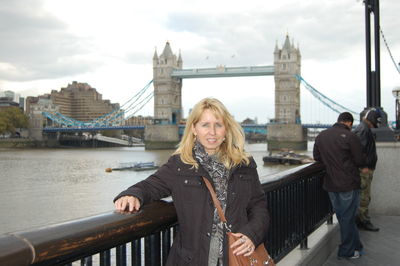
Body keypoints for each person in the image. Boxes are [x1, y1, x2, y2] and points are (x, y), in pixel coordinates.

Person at [114, 97, 269, 266]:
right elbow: (150, 185)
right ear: (194, 129)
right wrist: (132, 194)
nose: (212, 132)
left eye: (218, 124)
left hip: (235, 258)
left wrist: (252, 234)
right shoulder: (180, 165)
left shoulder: (244, 164)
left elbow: (258, 206)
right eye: (205, 125)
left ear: (226, 129)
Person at [313, 112, 364, 260]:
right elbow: (360, 160)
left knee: (343, 217)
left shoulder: (321, 135)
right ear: (349, 123)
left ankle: (357, 247)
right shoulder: (350, 136)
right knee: (348, 218)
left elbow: (317, 157)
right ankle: (346, 251)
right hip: (348, 183)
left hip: (330, 184)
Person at [352, 108, 381, 232]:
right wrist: (363, 166)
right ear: (372, 120)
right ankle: (363, 221)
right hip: (364, 170)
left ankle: (361, 219)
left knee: (363, 196)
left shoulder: (362, 128)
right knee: (364, 196)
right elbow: (360, 151)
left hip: (366, 168)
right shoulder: (363, 130)